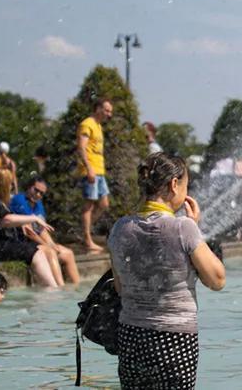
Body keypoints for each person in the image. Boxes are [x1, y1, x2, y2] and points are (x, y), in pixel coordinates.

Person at [109, 152, 225, 390]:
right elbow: (217, 280)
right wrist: (195, 227)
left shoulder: (120, 228)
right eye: (186, 185)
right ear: (174, 184)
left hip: (131, 337)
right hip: (173, 338)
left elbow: (119, 287)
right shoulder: (183, 228)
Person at [0, 169, 60, 288]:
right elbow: (6, 220)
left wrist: (21, 224)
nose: (11, 189)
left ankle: (57, 287)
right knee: (35, 252)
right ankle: (52, 289)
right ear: (3, 184)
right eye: (10, 186)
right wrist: (33, 218)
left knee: (40, 249)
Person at [9, 176, 80, 284]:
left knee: (67, 253)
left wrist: (52, 244)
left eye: (41, 193)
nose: (38, 195)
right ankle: (60, 287)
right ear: (29, 187)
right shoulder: (19, 200)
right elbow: (29, 231)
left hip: (38, 244)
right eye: (36, 190)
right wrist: (47, 246)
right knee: (50, 252)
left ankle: (77, 290)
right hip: (24, 245)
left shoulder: (38, 205)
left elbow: (42, 229)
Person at [77, 98, 113, 252]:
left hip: (100, 171)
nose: (109, 114)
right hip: (90, 170)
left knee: (104, 204)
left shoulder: (98, 126)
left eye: (110, 111)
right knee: (89, 205)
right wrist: (89, 168)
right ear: (97, 108)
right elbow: (81, 147)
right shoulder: (87, 124)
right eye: (106, 110)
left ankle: (85, 232)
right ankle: (87, 240)